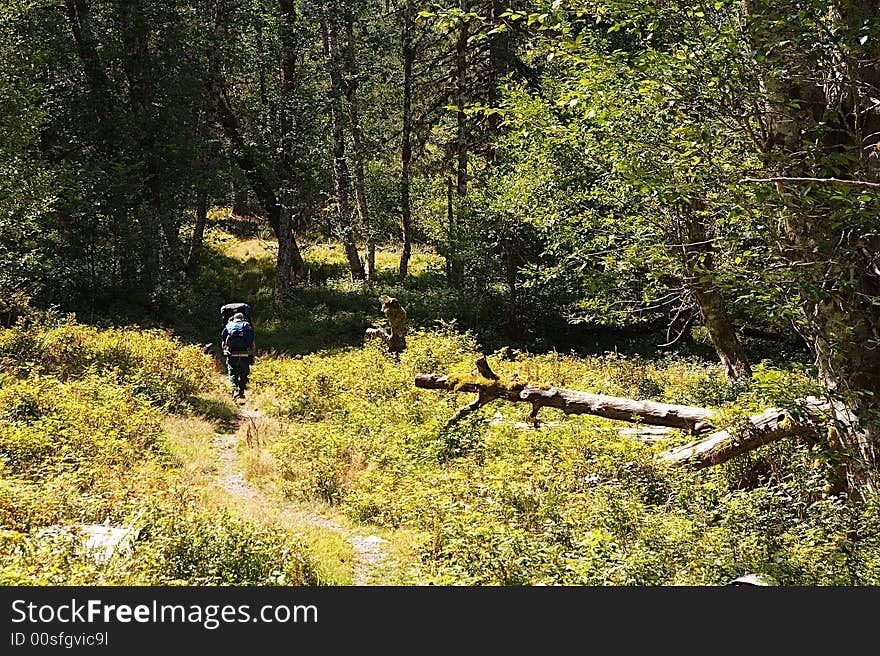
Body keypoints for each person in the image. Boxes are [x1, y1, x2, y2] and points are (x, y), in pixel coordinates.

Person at [220, 311, 255, 400]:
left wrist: (225, 351)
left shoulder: (228, 326)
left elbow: (223, 341)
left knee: (232, 372)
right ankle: (241, 391)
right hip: (244, 352)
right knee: (244, 372)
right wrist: (252, 354)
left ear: (234, 318)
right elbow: (251, 341)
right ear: (242, 318)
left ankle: (235, 390)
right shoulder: (246, 326)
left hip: (232, 352)